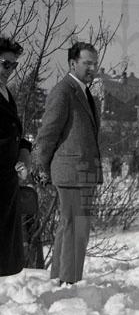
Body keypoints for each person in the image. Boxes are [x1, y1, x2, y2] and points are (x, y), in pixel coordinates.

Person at [35, 42, 103, 285]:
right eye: (87, 63)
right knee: (77, 226)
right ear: (73, 64)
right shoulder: (63, 91)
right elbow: (48, 132)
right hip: (71, 171)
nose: (92, 68)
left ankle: (60, 279)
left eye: (95, 63)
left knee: (70, 225)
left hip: (82, 171)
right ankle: (69, 282)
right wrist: (40, 167)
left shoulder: (84, 91)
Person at [0, 36, 32, 277]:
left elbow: (13, 132)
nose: (9, 70)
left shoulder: (6, 93)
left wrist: (24, 151)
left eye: (14, 65)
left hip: (6, 184)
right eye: (5, 64)